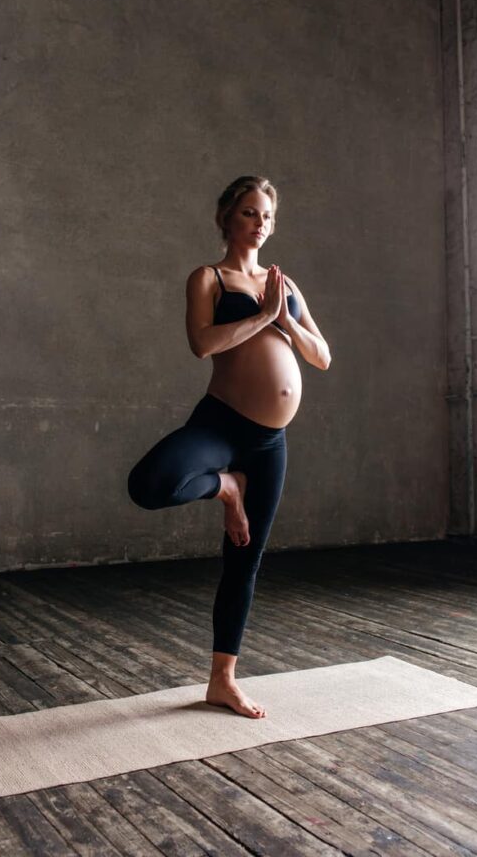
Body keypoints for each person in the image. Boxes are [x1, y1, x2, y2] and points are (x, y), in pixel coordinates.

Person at [127, 175, 331, 718]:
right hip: (221, 424)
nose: (258, 223)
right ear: (226, 218)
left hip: (269, 443)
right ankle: (225, 487)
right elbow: (202, 344)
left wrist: (285, 316)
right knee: (150, 484)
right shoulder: (209, 278)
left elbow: (322, 356)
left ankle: (223, 679)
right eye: (248, 213)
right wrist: (261, 317)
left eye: (265, 215)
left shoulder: (285, 285)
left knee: (244, 561)